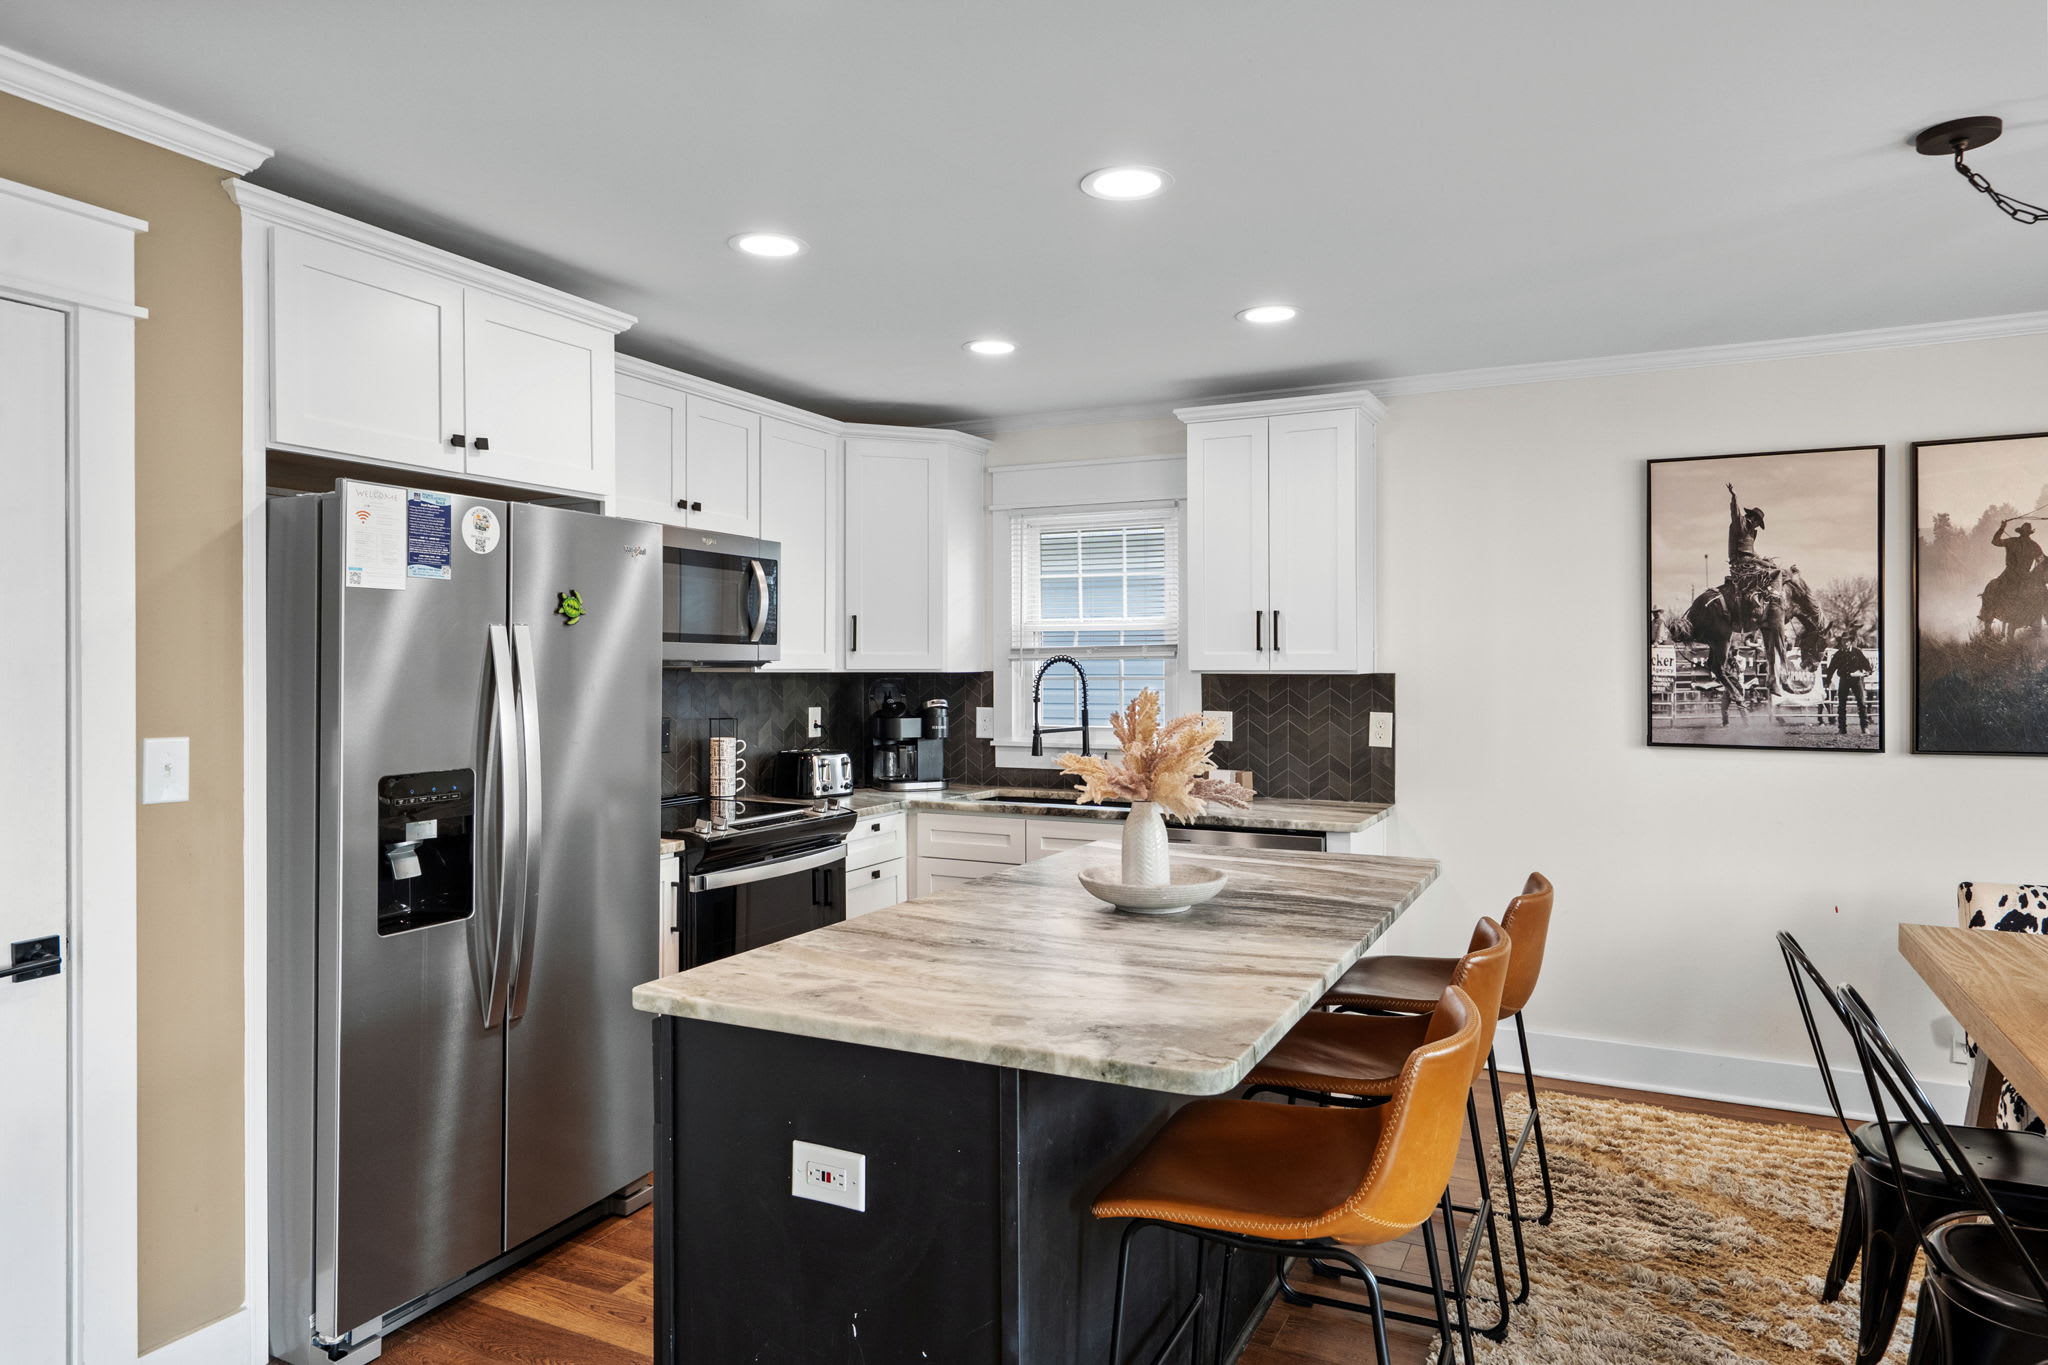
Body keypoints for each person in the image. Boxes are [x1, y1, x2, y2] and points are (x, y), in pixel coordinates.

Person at [1982, 518, 2046, 627]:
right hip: (2019, 576)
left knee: (1994, 588)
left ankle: (1989, 613)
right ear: (2026, 533)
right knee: (2040, 595)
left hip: (2013, 575)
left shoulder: (2012, 541)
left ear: (2021, 532)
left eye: (2025, 533)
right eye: (2025, 533)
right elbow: (2042, 561)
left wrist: (2002, 528)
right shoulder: (2032, 545)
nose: (2025, 535)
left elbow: (1995, 541)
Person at [1823, 632, 1873, 736]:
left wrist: (1868, 671)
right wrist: (1827, 681)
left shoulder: (1857, 652)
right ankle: (1842, 729)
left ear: (1851, 642)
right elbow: (1831, 668)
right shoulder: (1838, 654)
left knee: (1862, 704)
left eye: (1847, 640)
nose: (1845, 642)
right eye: (1843, 640)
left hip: (1857, 680)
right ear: (1841, 642)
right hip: (1844, 680)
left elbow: (1866, 665)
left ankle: (1865, 727)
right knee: (1841, 705)